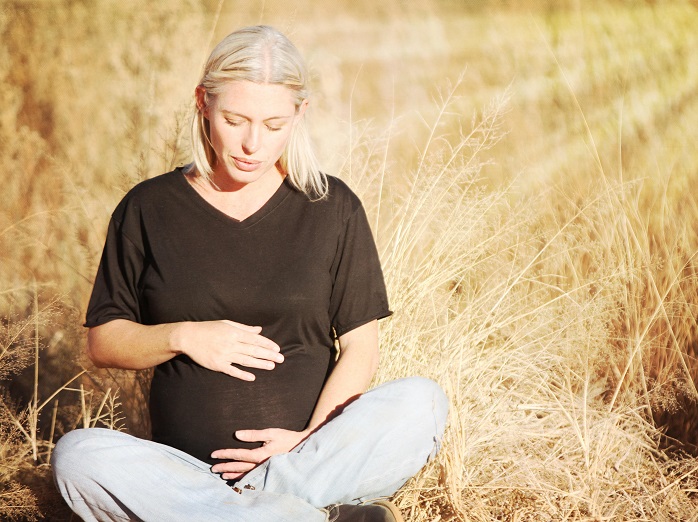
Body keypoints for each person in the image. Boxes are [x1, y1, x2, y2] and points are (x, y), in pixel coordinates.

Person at [52, 25, 448, 522]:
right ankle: (302, 515)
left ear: (300, 114)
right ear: (203, 103)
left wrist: (306, 442)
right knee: (78, 458)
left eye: (274, 123)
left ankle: (264, 505)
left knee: (423, 404)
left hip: (306, 459)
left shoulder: (332, 207)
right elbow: (104, 342)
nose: (252, 144)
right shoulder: (149, 208)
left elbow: (360, 348)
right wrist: (185, 336)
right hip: (187, 475)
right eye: (235, 120)